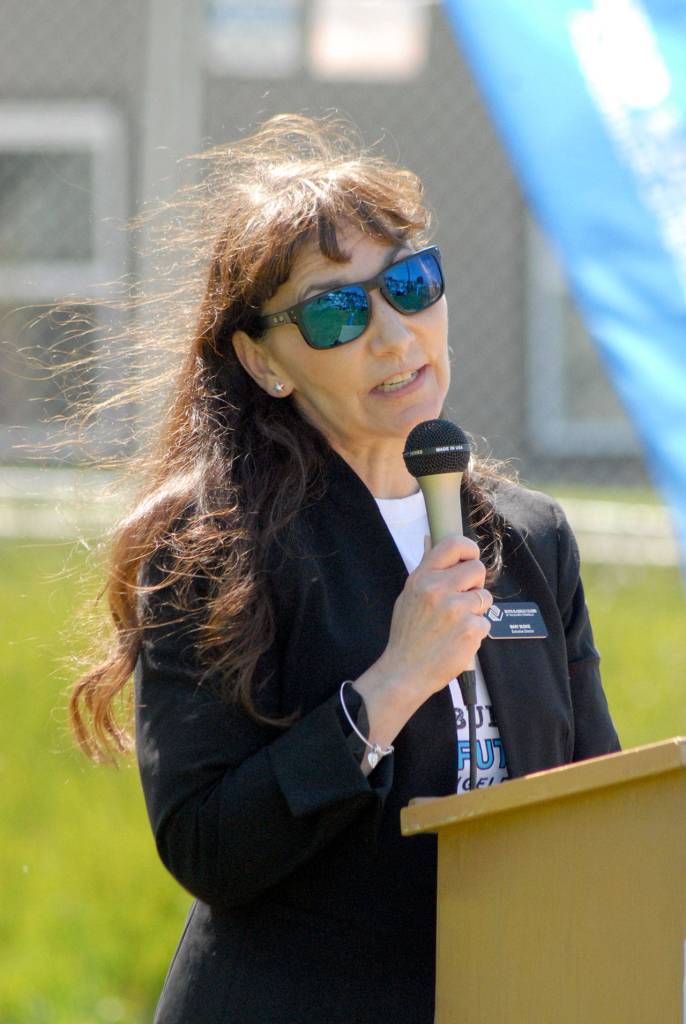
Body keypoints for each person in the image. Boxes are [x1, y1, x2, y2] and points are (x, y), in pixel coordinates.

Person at [70, 114, 620, 1023]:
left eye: (410, 284)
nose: (396, 336)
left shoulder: (534, 538)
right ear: (263, 361)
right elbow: (208, 847)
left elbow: (592, 800)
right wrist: (387, 690)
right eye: (334, 311)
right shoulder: (213, 549)